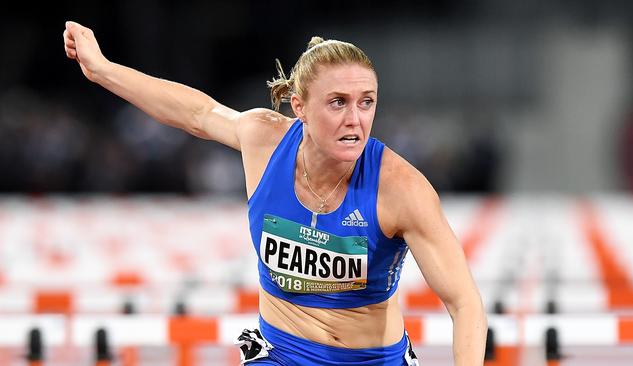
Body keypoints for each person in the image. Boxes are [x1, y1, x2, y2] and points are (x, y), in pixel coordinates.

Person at [63, 21, 487, 365]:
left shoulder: (400, 188)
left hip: (371, 360)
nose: (355, 120)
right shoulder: (264, 141)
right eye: (337, 102)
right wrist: (102, 69)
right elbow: (195, 112)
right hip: (280, 354)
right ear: (299, 106)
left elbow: (465, 302)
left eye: (366, 102)